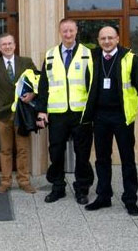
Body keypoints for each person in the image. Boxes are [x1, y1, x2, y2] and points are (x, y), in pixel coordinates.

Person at [81, 26, 138, 215]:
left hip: (122, 116)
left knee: (127, 159)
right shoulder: (93, 58)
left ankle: (130, 199)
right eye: (103, 38)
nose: (107, 41)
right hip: (100, 116)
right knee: (102, 158)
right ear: (99, 40)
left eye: (110, 38)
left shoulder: (130, 58)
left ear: (118, 38)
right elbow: (88, 82)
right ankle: (103, 196)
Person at [36, 18, 94, 205]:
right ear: (60, 32)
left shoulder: (87, 54)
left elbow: (92, 85)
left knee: (82, 153)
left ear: (77, 31)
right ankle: (58, 187)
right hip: (57, 113)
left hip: (80, 112)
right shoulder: (51, 55)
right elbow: (43, 85)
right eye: (64, 31)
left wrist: (91, 110)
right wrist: (42, 110)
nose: (68, 35)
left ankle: (82, 189)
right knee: (56, 151)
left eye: (71, 31)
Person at [0, 33, 37, 194]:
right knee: (5, 149)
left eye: (10, 43)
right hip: (2, 113)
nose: (7, 46)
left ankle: (23, 180)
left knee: (23, 149)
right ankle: (5, 181)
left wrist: (32, 95)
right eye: (4, 44)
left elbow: (37, 82)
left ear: (15, 45)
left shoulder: (26, 62)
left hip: (22, 113)